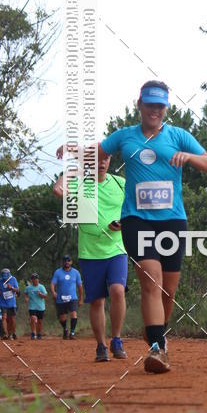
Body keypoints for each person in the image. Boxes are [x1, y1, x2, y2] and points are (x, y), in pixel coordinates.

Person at [98, 81, 207, 374]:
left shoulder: (178, 136)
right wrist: (71, 157)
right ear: (139, 104)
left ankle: (155, 330)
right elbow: (96, 154)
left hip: (172, 220)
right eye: (150, 104)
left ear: (166, 108)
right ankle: (157, 348)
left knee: (168, 290)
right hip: (136, 220)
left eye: (160, 106)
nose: (155, 110)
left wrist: (189, 156)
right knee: (151, 280)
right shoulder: (124, 136)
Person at [53, 148, 128, 362]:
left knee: (117, 290)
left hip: (116, 248)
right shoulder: (80, 184)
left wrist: (123, 224)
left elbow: (135, 210)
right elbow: (58, 190)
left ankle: (116, 339)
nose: (102, 162)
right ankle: (101, 346)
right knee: (96, 301)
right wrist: (74, 168)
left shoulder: (120, 183)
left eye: (105, 158)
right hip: (90, 252)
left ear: (110, 159)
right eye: (97, 159)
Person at [50, 256, 83, 338]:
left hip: (72, 298)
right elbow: (53, 283)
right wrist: (53, 292)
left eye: (68, 260)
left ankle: (72, 333)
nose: (67, 262)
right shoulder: (58, 272)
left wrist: (81, 298)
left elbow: (80, 286)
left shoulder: (76, 272)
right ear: (62, 262)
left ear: (71, 262)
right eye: (65, 260)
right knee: (62, 318)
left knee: (74, 314)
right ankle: (65, 329)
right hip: (61, 298)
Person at [0, 267, 20, 340]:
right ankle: (5, 334)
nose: (5, 279)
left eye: (6, 278)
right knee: (4, 317)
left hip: (11, 303)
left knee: (12, 319)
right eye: (4, 278)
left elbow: (17, 290)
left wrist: (12, 288)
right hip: (3, 302)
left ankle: (12, 333)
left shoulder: (13, 279)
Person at [24, 273, 48, 339]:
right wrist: (26, 298)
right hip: (32, 306)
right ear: (32, 280)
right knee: (33, 318)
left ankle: (39, 333)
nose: (35, 280)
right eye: (34, 279)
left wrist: (41, 294)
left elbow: (45, 295)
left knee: (40, 321)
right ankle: (33, 333)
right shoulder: (28, 288)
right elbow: (25, 293)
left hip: (40, 307)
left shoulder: (41, 287)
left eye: (36, 279)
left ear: (38, 279)